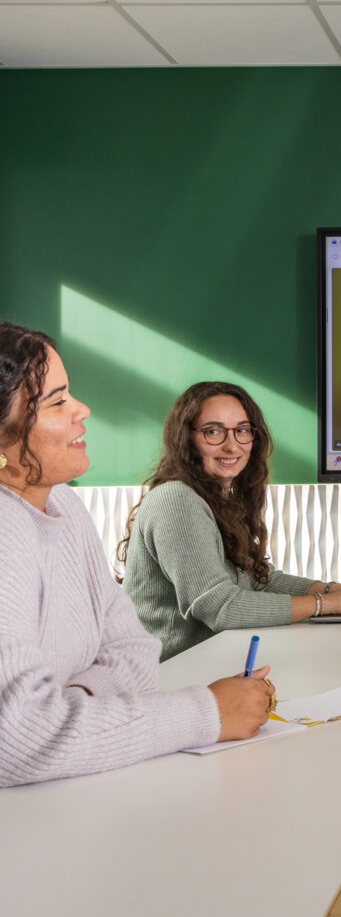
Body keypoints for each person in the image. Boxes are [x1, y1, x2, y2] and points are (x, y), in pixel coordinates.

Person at [0, 322, 271, 787]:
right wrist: (207, 712)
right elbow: (18, 739)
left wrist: (72, 708)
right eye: (57, 401)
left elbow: (135, 652)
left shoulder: (65, 504)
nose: (81, 410)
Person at [119, 381, 341, 660]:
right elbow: (220, 608)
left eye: (242, 430)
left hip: (210, 666)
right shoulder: (176, 500)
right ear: (186, 439)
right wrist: (327, 604)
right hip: (169, 679)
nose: (232, 446)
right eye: (213, 431)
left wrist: (338, 590)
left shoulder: (217, 498)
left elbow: (258, 582)